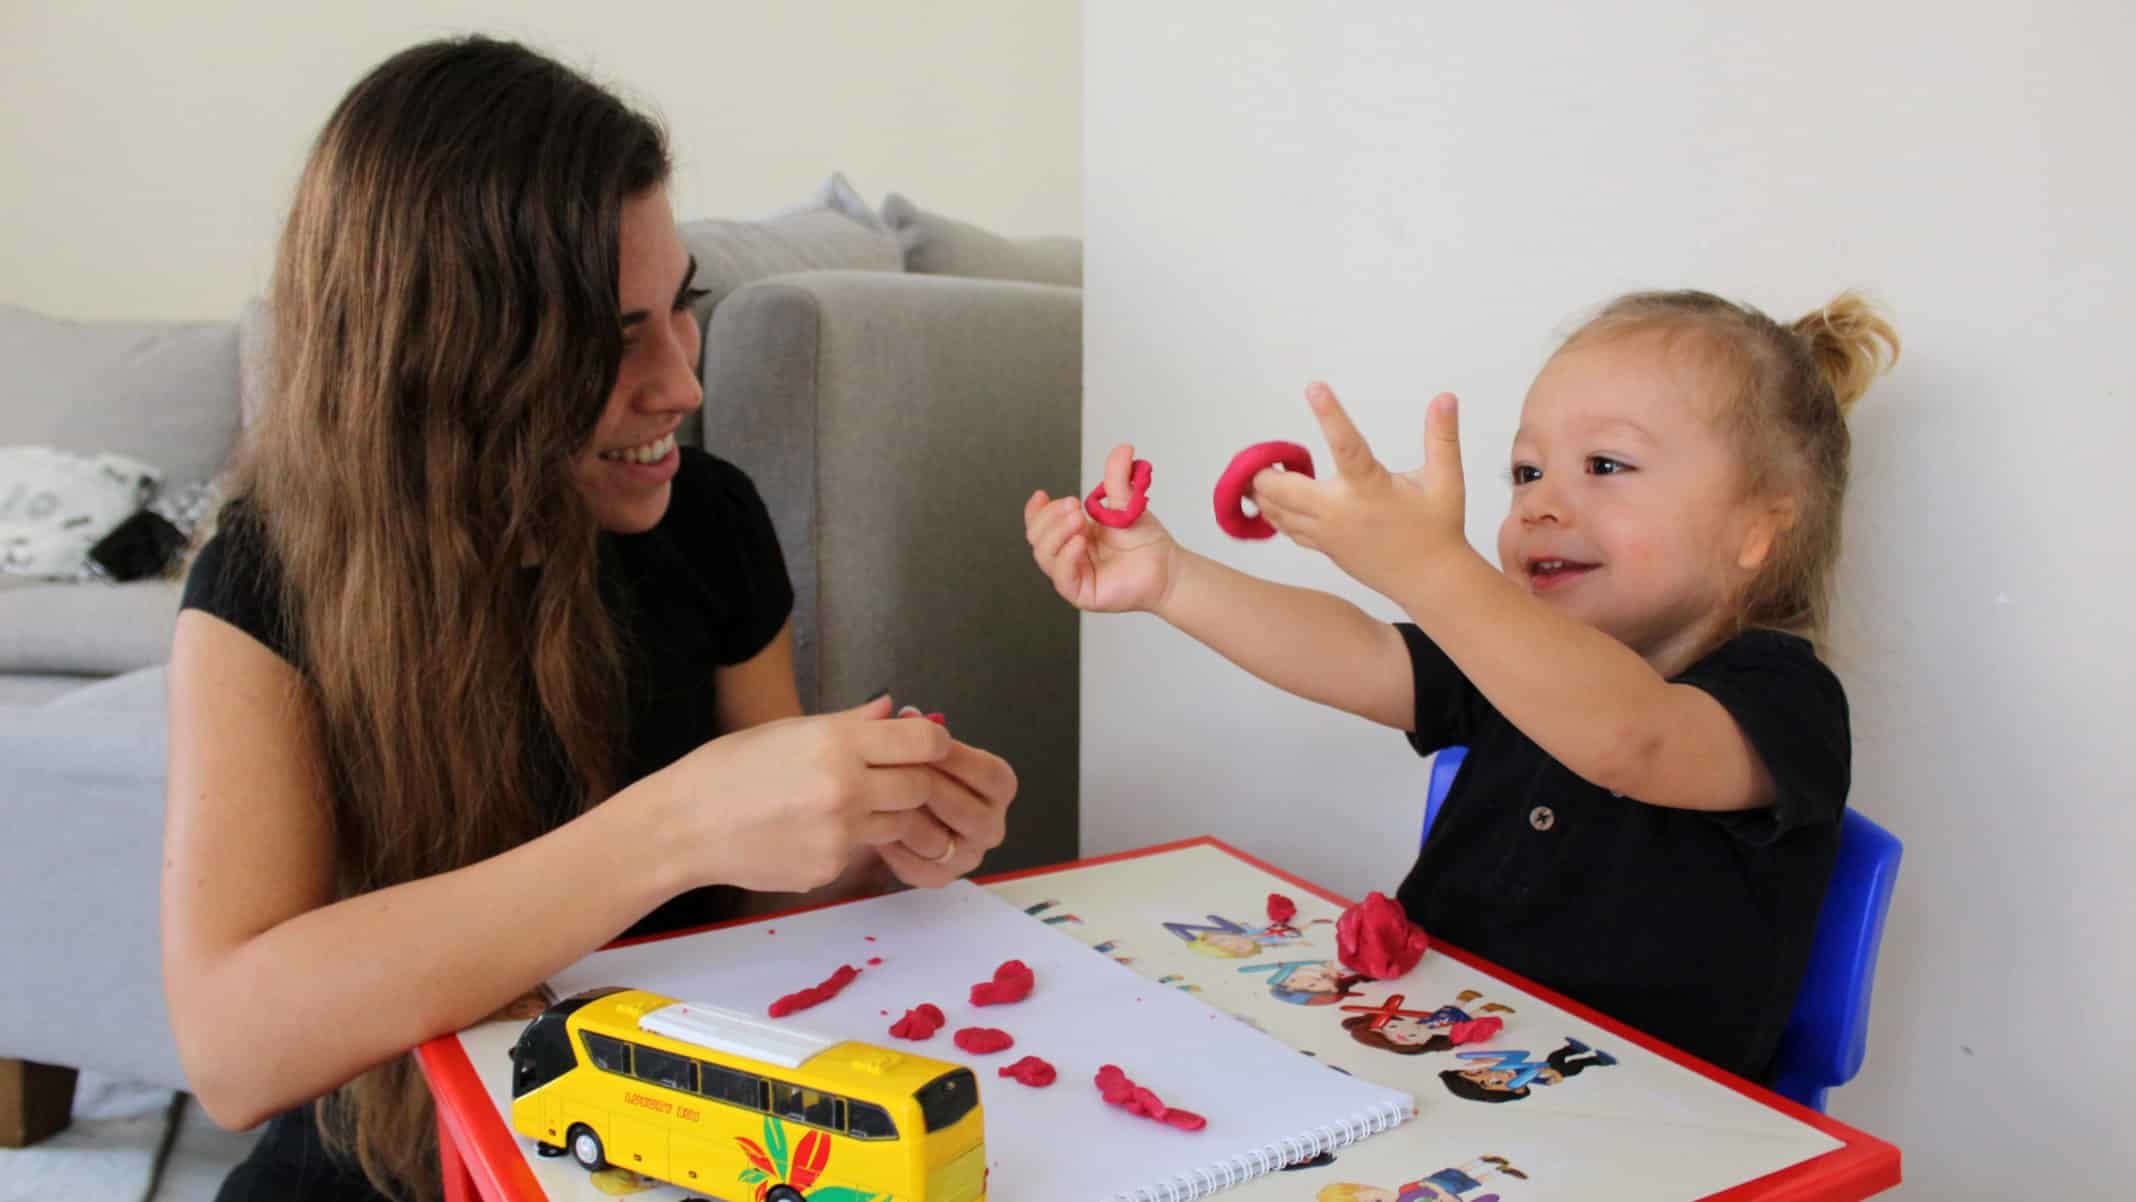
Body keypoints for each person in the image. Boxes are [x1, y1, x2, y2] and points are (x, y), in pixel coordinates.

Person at [162, 37, 1015, 1202]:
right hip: (377, 1174)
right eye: (613, 338)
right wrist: (670, 823)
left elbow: (757, 916)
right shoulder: (266, 578)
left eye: (682, 308)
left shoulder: (710, 524)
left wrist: (867, 835)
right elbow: (230, 1048)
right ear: (444, 360)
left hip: (661, 1146)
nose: (681, 384)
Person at [1024, 288, 1898, 1081]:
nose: (1541, 504)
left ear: (1758, 530)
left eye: (1605, 466)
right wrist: (1171, 582)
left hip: (1644, 1136)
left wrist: (1432, 570)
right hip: (1433, 1074)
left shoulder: (1781, 699)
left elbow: (1635, 738)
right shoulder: (1517, 657)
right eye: (1527, 471)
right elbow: (1358, 653)